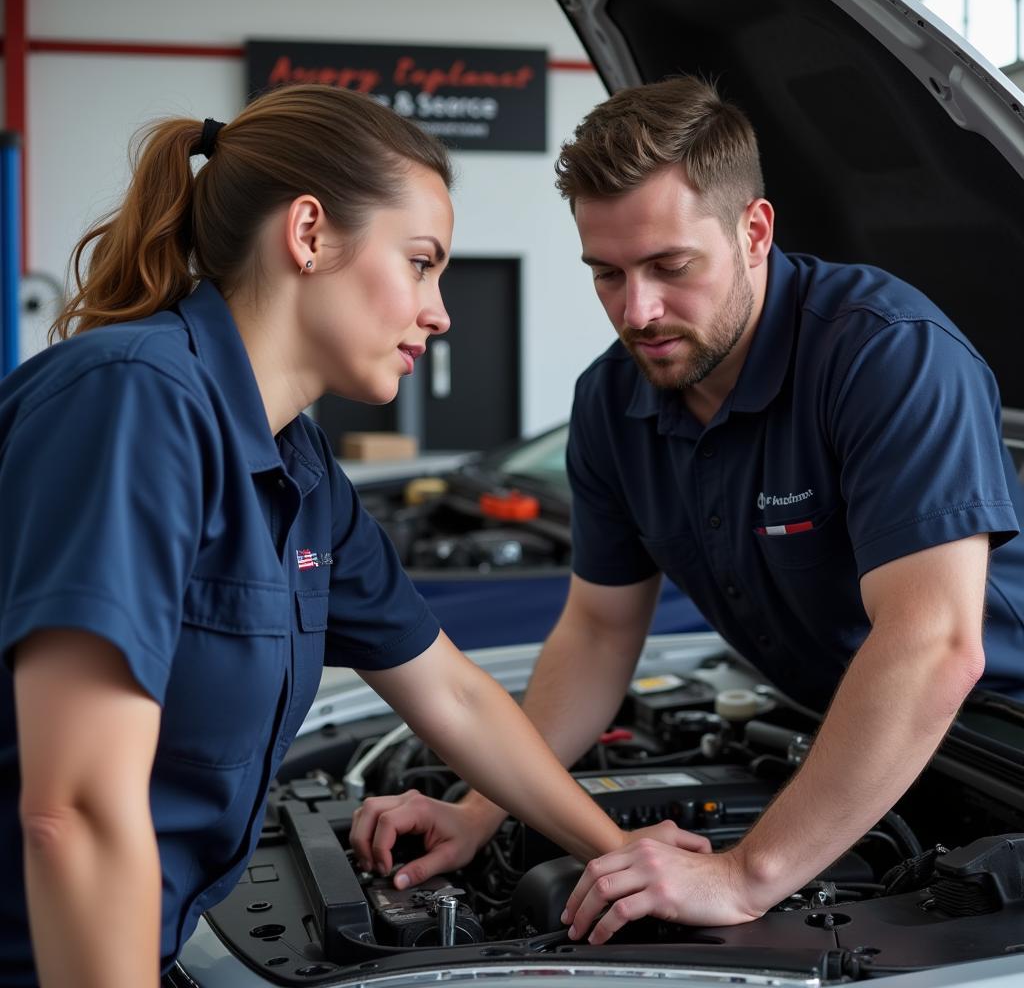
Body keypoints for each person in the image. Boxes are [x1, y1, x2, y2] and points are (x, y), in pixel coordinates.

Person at [0, 84, 707, 988]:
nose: (441, 310)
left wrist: (621, 858)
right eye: (420, 263)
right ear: (308, 234)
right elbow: (77, 813)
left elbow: (451, 692)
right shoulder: (133, 403)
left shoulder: (298, 468)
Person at [351, 75, 1024, 943]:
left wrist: (746, 877)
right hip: (865, 742)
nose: (639, 312)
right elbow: (596, 634)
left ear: (755, 231)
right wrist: (481, 807)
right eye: (607, 275)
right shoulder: (610, 404)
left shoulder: (886, 357)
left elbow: (932, 646)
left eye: (671, 267)